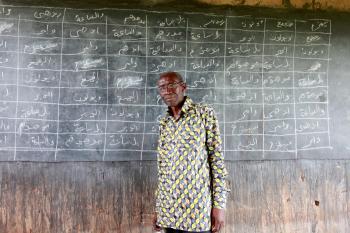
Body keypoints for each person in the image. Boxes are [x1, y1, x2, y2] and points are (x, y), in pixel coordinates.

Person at [153, 71, 229, 233]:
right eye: (162, 87)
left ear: (183, 87)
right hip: (168, 210)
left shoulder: (204, 114)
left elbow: (217, 162)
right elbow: (163, 170)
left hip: (197, 211)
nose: (167, 91)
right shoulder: (164, 123)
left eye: (172, 85)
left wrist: (219, 206)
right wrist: (159, 207)